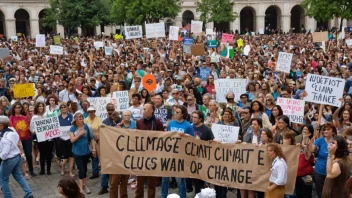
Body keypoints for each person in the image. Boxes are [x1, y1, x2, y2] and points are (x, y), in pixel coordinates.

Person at [163, 105, 194, 198]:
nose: (175, 114)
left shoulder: (188, 125)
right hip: (170, 154)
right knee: (165, 178)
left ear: (183, 114)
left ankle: (182, 196)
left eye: (177, 112)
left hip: (181, 155)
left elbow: (193, 139)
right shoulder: (171, 124)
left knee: (181, 180)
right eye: (175, 112)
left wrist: (185, 135)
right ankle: (163, 196)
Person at [0, 116, 34, 198]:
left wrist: (1, 156)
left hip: (9, 159)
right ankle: (29, 193)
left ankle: (8, 196)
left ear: (1, 125)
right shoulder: (12, 131)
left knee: (3, 179)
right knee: (18, 176)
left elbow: (5, 153)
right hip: (17, 157)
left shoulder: (4, 137)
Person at [135, 102, 164, 198]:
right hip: (141, 156)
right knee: (139, 182)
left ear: (152, 111)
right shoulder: (139, 122)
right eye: (143, 109)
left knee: (152, 182)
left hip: (152, 156)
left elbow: (162, 137)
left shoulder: (157, 122)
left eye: (145, 109)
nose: (143, 111)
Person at [109, 110, 136, 198]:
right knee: (114, 181)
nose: (127, 116)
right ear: (122, 116)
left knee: (124, 180)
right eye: (125, 115)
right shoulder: (118, 126)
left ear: (130, 116)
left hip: (128, 156)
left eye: (128, 115)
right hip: (118, 156)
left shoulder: (134, 125)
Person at [69, 112, 96, 194]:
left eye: (82, 118)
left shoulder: (86, 126)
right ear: (75, 120)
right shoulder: (72, 128)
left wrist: (93, 148)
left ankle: (85, 185)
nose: (81, 119)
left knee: (84, 169)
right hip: (77, 152)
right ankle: (81, 187)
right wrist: (80, 134)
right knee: (81, 169)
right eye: (79, 118)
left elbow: (91, 138)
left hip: (86, 152)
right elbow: (72, 140)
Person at [308, 122, 337, 198]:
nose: (326, 131)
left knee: (331, 193)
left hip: (332, 171)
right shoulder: (320, 140)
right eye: (324, 130)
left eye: (328, 129)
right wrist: (310, 143)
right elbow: (312, 150)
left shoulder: (336, 141)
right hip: (319, 172)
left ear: (333, 131)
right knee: (320, 193)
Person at [9, 102, 35, 177]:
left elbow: (29, 126)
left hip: (27, 138)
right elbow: (11, 128)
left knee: (29, 154)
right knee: (19, 155)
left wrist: (31, 130)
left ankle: (31, 170)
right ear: (14, 108)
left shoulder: (25, 116)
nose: (18, 109)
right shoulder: (11, 117)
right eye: (16, 107)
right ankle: (20, 170)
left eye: (19, 107)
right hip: (17, 140)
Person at [192, 110, 214, 195]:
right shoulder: (190, 127)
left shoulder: (207, 129)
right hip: (193, 157)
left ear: (200, 119)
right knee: (195, 180)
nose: (193, 119)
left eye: (195, 117)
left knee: (203, 179)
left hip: (204, 158)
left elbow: (211, 142)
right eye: (192, 117)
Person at [30, 101, 54, 175]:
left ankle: (49, 169)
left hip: (49, 138)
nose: (41, 107)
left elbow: (52, 124)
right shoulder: (34, 117)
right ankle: (42, 170)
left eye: (42, 106)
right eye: (39, 106)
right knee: (42, 154)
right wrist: (35, 131)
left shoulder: (47, 115)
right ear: (37, 108)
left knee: (49, 154)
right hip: (40, 138)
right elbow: (31, 129)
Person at [84, 106, 101, 180]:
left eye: (92, 111)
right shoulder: (86, 120)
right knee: (92, 156)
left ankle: (98, 172)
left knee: (98, 155)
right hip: (89, 140)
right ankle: (94, 172)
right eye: (89, 112)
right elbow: (85, 129)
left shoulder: (98, 119)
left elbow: (101, 128)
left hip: (98, 139)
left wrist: (99, 136)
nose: (91, 113)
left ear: (94, 111)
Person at [58, 103, 75, 177]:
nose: (63, 108)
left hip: (70, 138)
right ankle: (62, 167)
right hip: (61, 139)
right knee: (64, 156)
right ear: (60, 109)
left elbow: (74, 126)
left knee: (71, 155)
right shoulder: (58, 117)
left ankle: (71, 171)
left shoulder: (71, 116)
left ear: (67, 108)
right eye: (61, 107)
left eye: (64, 107)